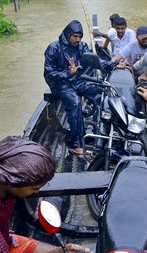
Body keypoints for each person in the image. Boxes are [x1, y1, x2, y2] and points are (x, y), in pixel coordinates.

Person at [44, 20, 113, 156]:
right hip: (60, 85)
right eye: (75, 36)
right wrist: (67, 73)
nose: (78, 39)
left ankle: (101, 132)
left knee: (101, 94)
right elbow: (48, 73)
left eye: (80, 37)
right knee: (75, 103)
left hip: (77, 81)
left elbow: (97, 62)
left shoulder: (82, 47)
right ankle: (75, 144)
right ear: (68, 34)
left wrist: (114, 64)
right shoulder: (54, 48)